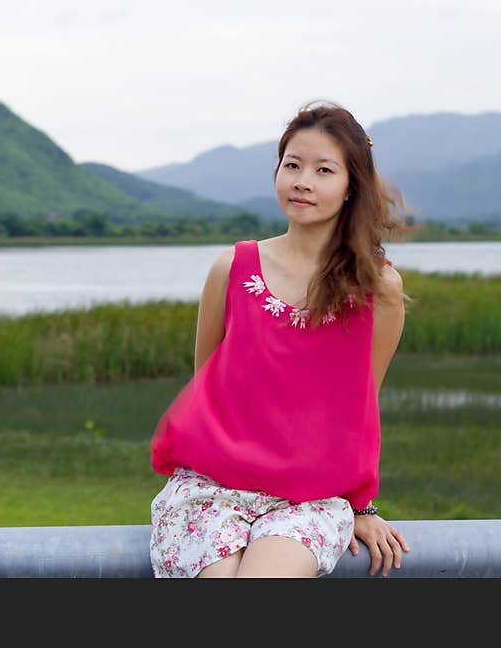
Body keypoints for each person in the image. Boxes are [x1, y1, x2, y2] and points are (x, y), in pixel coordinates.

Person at [149, 100, 415, 579]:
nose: (302, 181)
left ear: (353, 184)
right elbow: (206, 388)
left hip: (307, 499)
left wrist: (363, 506)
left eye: (323, 170)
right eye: (292, 165)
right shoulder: (232, 268)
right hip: (211, 488)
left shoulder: (378, 288)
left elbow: (360, 407)